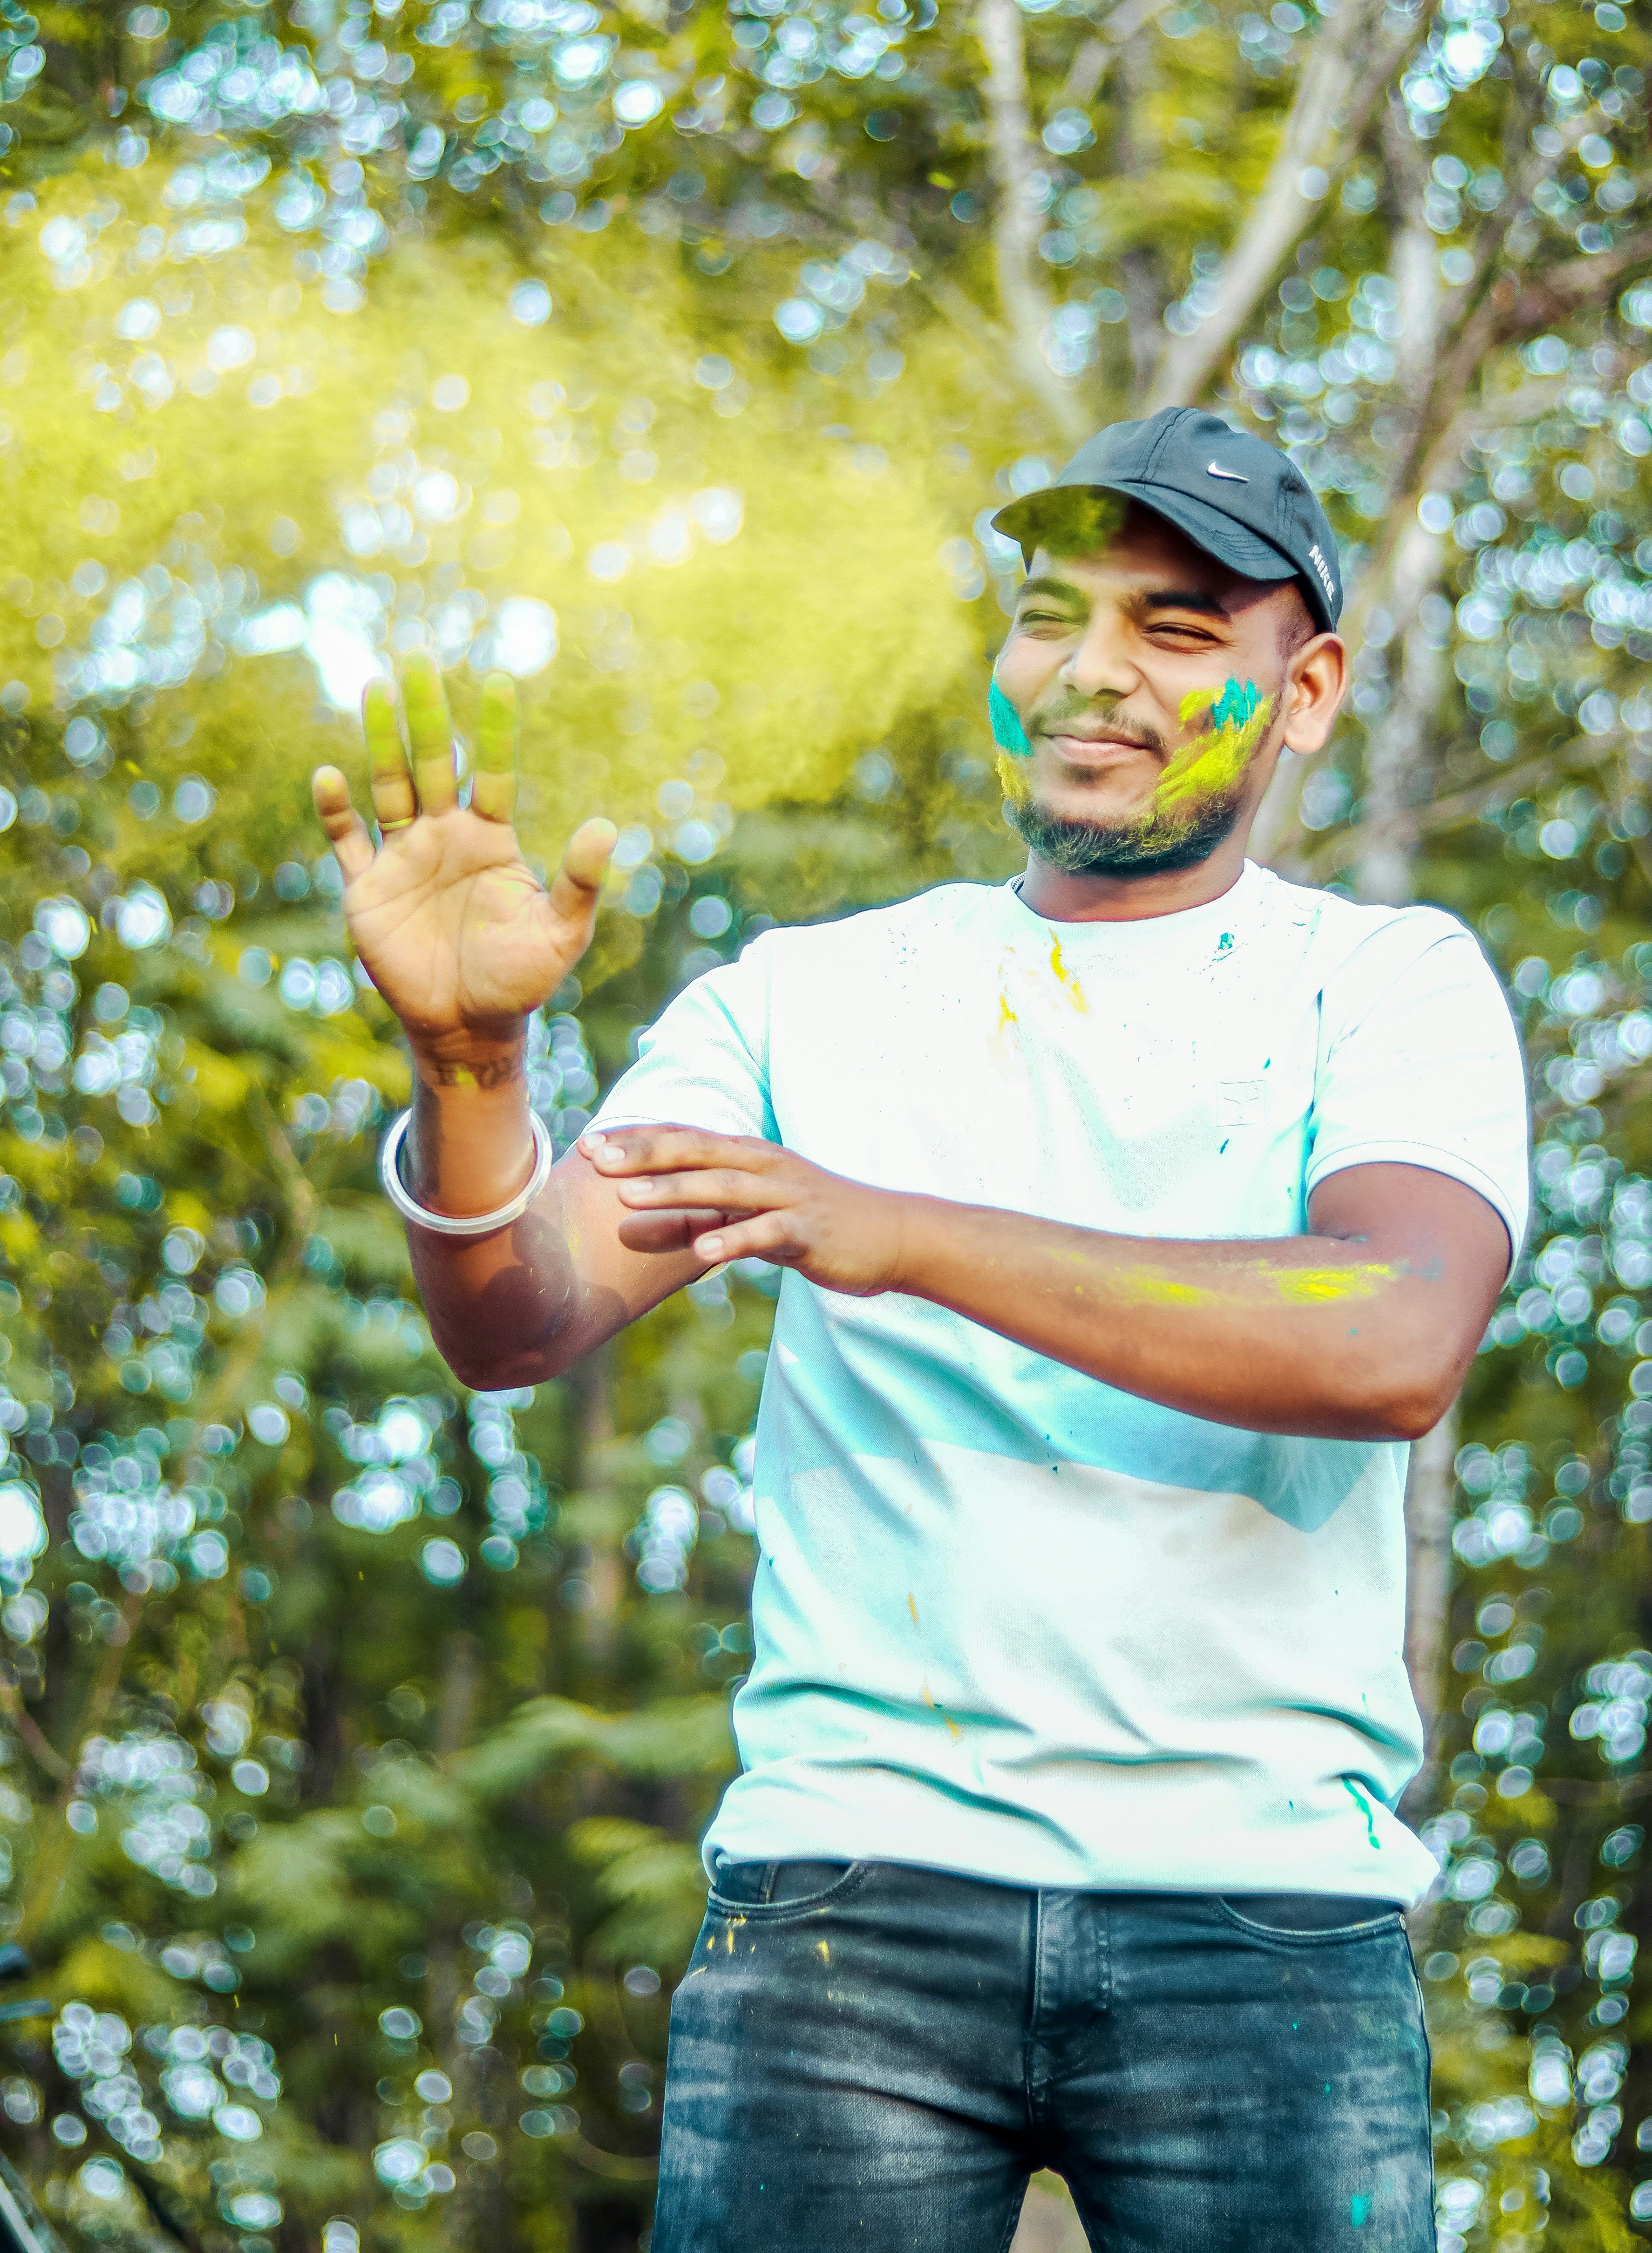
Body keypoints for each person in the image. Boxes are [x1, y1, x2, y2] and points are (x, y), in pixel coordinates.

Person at [313, 406, 1529, 2253]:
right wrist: (474, 1070)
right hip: (846, 1893)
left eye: (1178, 630)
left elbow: (1388, 1341)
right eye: (1051, 615)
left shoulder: (1387, 981)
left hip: (1265, 1908)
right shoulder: (812, 993)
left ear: (1307, 690)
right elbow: (518, 1313)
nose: (1091, 672)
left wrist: (888, 1231)